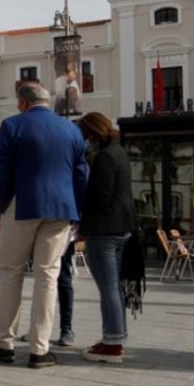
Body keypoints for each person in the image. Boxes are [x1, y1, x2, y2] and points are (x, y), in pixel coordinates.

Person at [0, 83, 88, 369]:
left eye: (18, 101)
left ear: (24, 102)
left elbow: (0, 169)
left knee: (11, 272)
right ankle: (40, 350)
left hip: (22, 203)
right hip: (61, 208)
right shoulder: (72, 130)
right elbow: (82, 174)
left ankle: (4, 343)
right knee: (48, 276)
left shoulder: (12, 126)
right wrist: (75, 211)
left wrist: (4, 202)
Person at [76, 111, 136, 364]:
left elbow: (100, 197)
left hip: (103, 231)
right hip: (123, 228)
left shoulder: (104, 158)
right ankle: (116, 337)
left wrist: (80, 213)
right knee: (115, 287)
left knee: (108, 287)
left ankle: (112, 343)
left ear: (92, 133)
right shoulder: (119, 152)